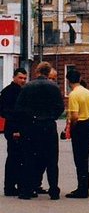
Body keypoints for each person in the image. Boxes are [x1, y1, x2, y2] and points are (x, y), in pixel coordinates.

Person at [14, 62, 63, 200]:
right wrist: (51, 116)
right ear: (48, 73)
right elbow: (60, 107)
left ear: (37, 72)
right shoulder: (53, 87)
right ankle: (54, 189)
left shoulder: (28, 86)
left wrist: (24, 123)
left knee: (29, 158)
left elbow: (19, 108)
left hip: (31, 126)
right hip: (48, 125)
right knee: (52, 160)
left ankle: (27, 189)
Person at [62, 69, 89, 199]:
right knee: (85, 157)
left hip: (79, 126)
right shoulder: (87, 92)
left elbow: (74, 115)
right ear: (80, 78)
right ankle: (85, 186)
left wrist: (72, 128)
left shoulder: (73, 95)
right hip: (88, 124)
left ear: (68, 81)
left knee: (79, 159)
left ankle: (81, 189)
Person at [0, 67, 27, 197]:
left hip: (19, 128)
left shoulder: (21, 91)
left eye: (25, 78)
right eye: (20, 78)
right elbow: (8, 112)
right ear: (14, 77)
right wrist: (15, 129)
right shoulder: (8, 92)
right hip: (13, 129)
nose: (23, 80)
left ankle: (18, 185)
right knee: (13, 157)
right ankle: (10, 187)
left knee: (19, 157)